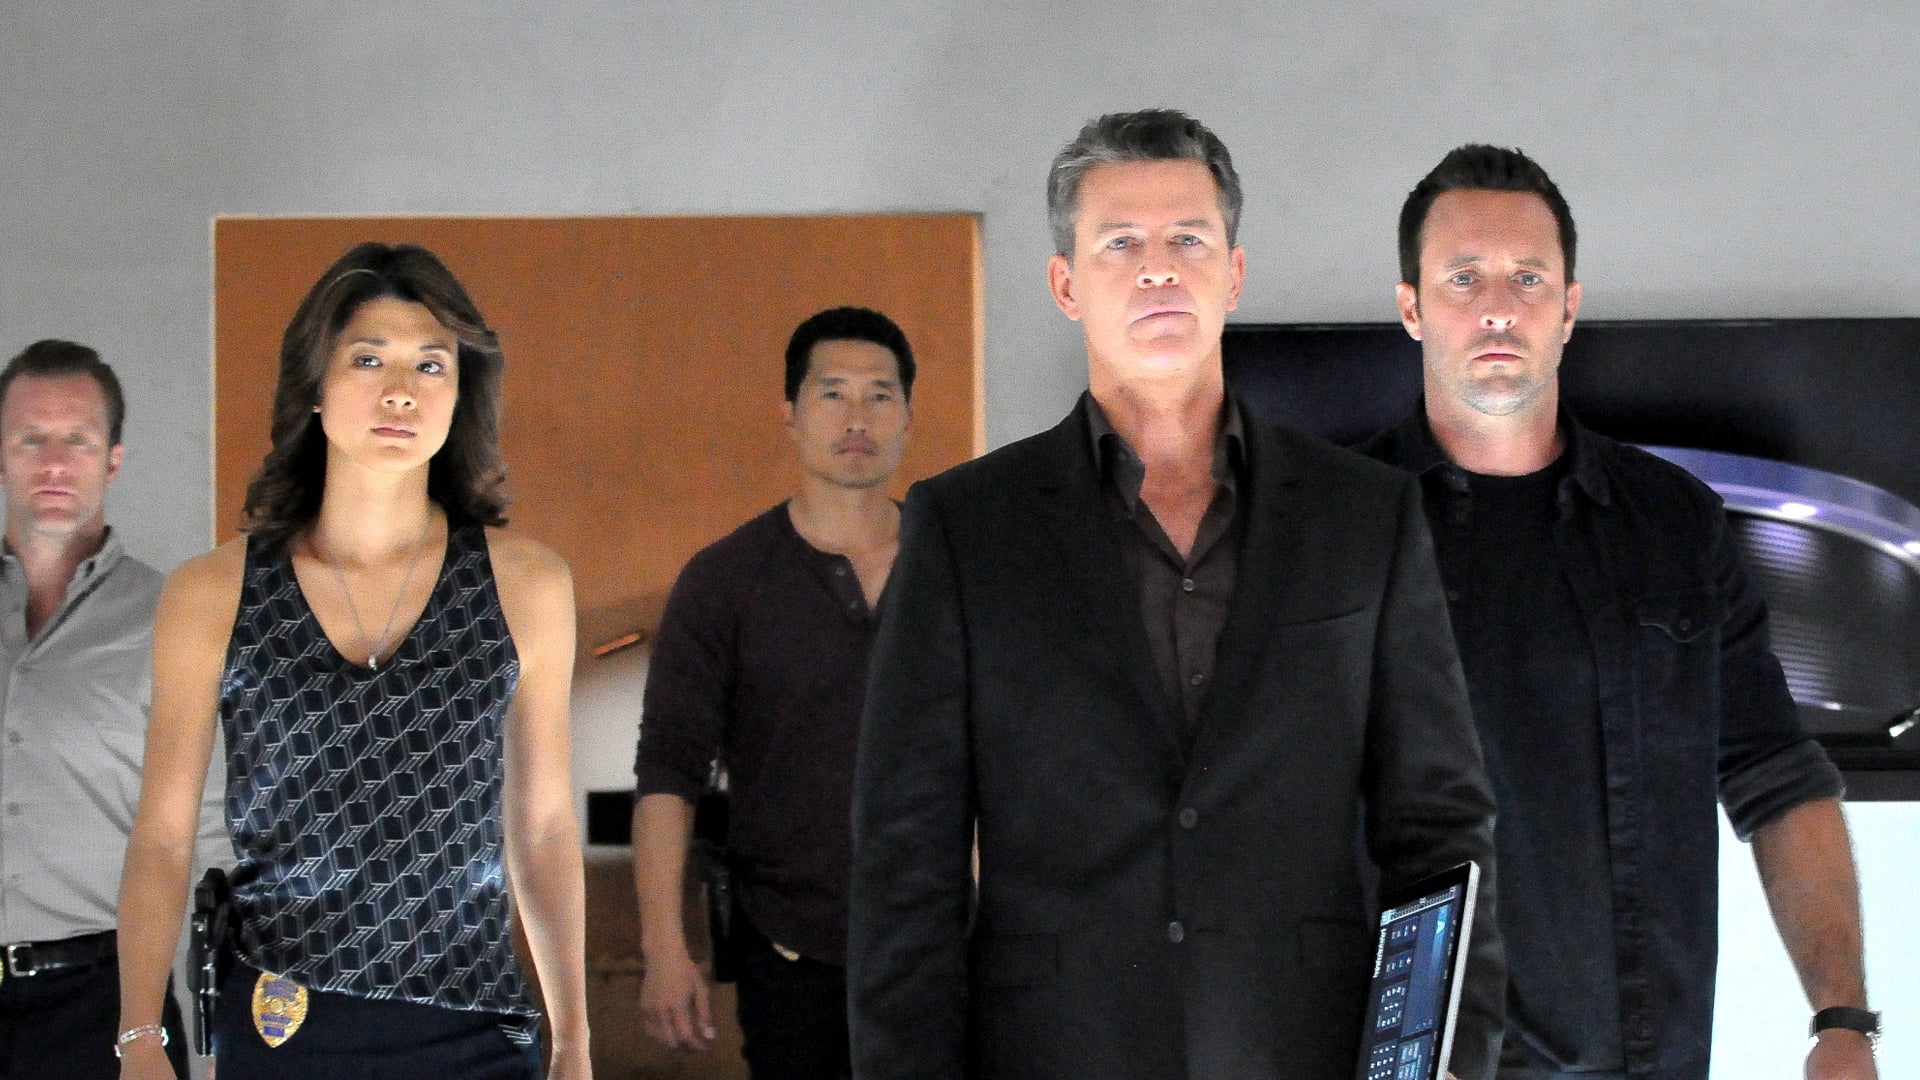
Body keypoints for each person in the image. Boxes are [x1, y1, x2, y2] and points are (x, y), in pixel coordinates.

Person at [848, 109, 1503, 1080]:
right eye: (1121, 244)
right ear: (1065, 285)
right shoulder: (964, 527)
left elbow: (1440, 826)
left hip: (1300, 1049)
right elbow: (907, 859)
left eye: (1188, 240)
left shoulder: (1365, 514)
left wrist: (1444, 1062)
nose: (1158, 269)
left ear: (1233, 273)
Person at [1364, 144, 1877, 1080]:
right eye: (1463, 277)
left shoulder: (1674, 525)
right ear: (1412, 308)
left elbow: (1775, 774)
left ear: (1568, 307)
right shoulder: (1336, 527)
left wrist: (1841, 1017)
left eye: (1528, 278)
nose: (1497, 306)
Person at [113, 242, 592, 1079]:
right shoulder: (212, 592)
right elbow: (161, 836)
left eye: (431, 365)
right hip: (283, 1019)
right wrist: (140, 1037)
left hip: (473, 1021)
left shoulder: (529, 585)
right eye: (368, 359)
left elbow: (544, 828)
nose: (401, 390)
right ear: (315, 386)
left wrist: (575, 1040)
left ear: (461, 393)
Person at [632, 306, 914, 1079]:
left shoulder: (957, 565)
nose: (857, 418)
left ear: (907, 415)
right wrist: (664, 946)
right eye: (833, 393)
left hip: (944, 948)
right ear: (789, 413)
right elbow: (668, 770)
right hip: (791, 949)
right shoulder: (725, 580)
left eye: (880, 395)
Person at [0, 341, 211, 1079]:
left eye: (79, 441)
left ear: (113, 460)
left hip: (103, 1005)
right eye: (31, 439)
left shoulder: (173, 619)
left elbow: (216, 834)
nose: (55, 463)